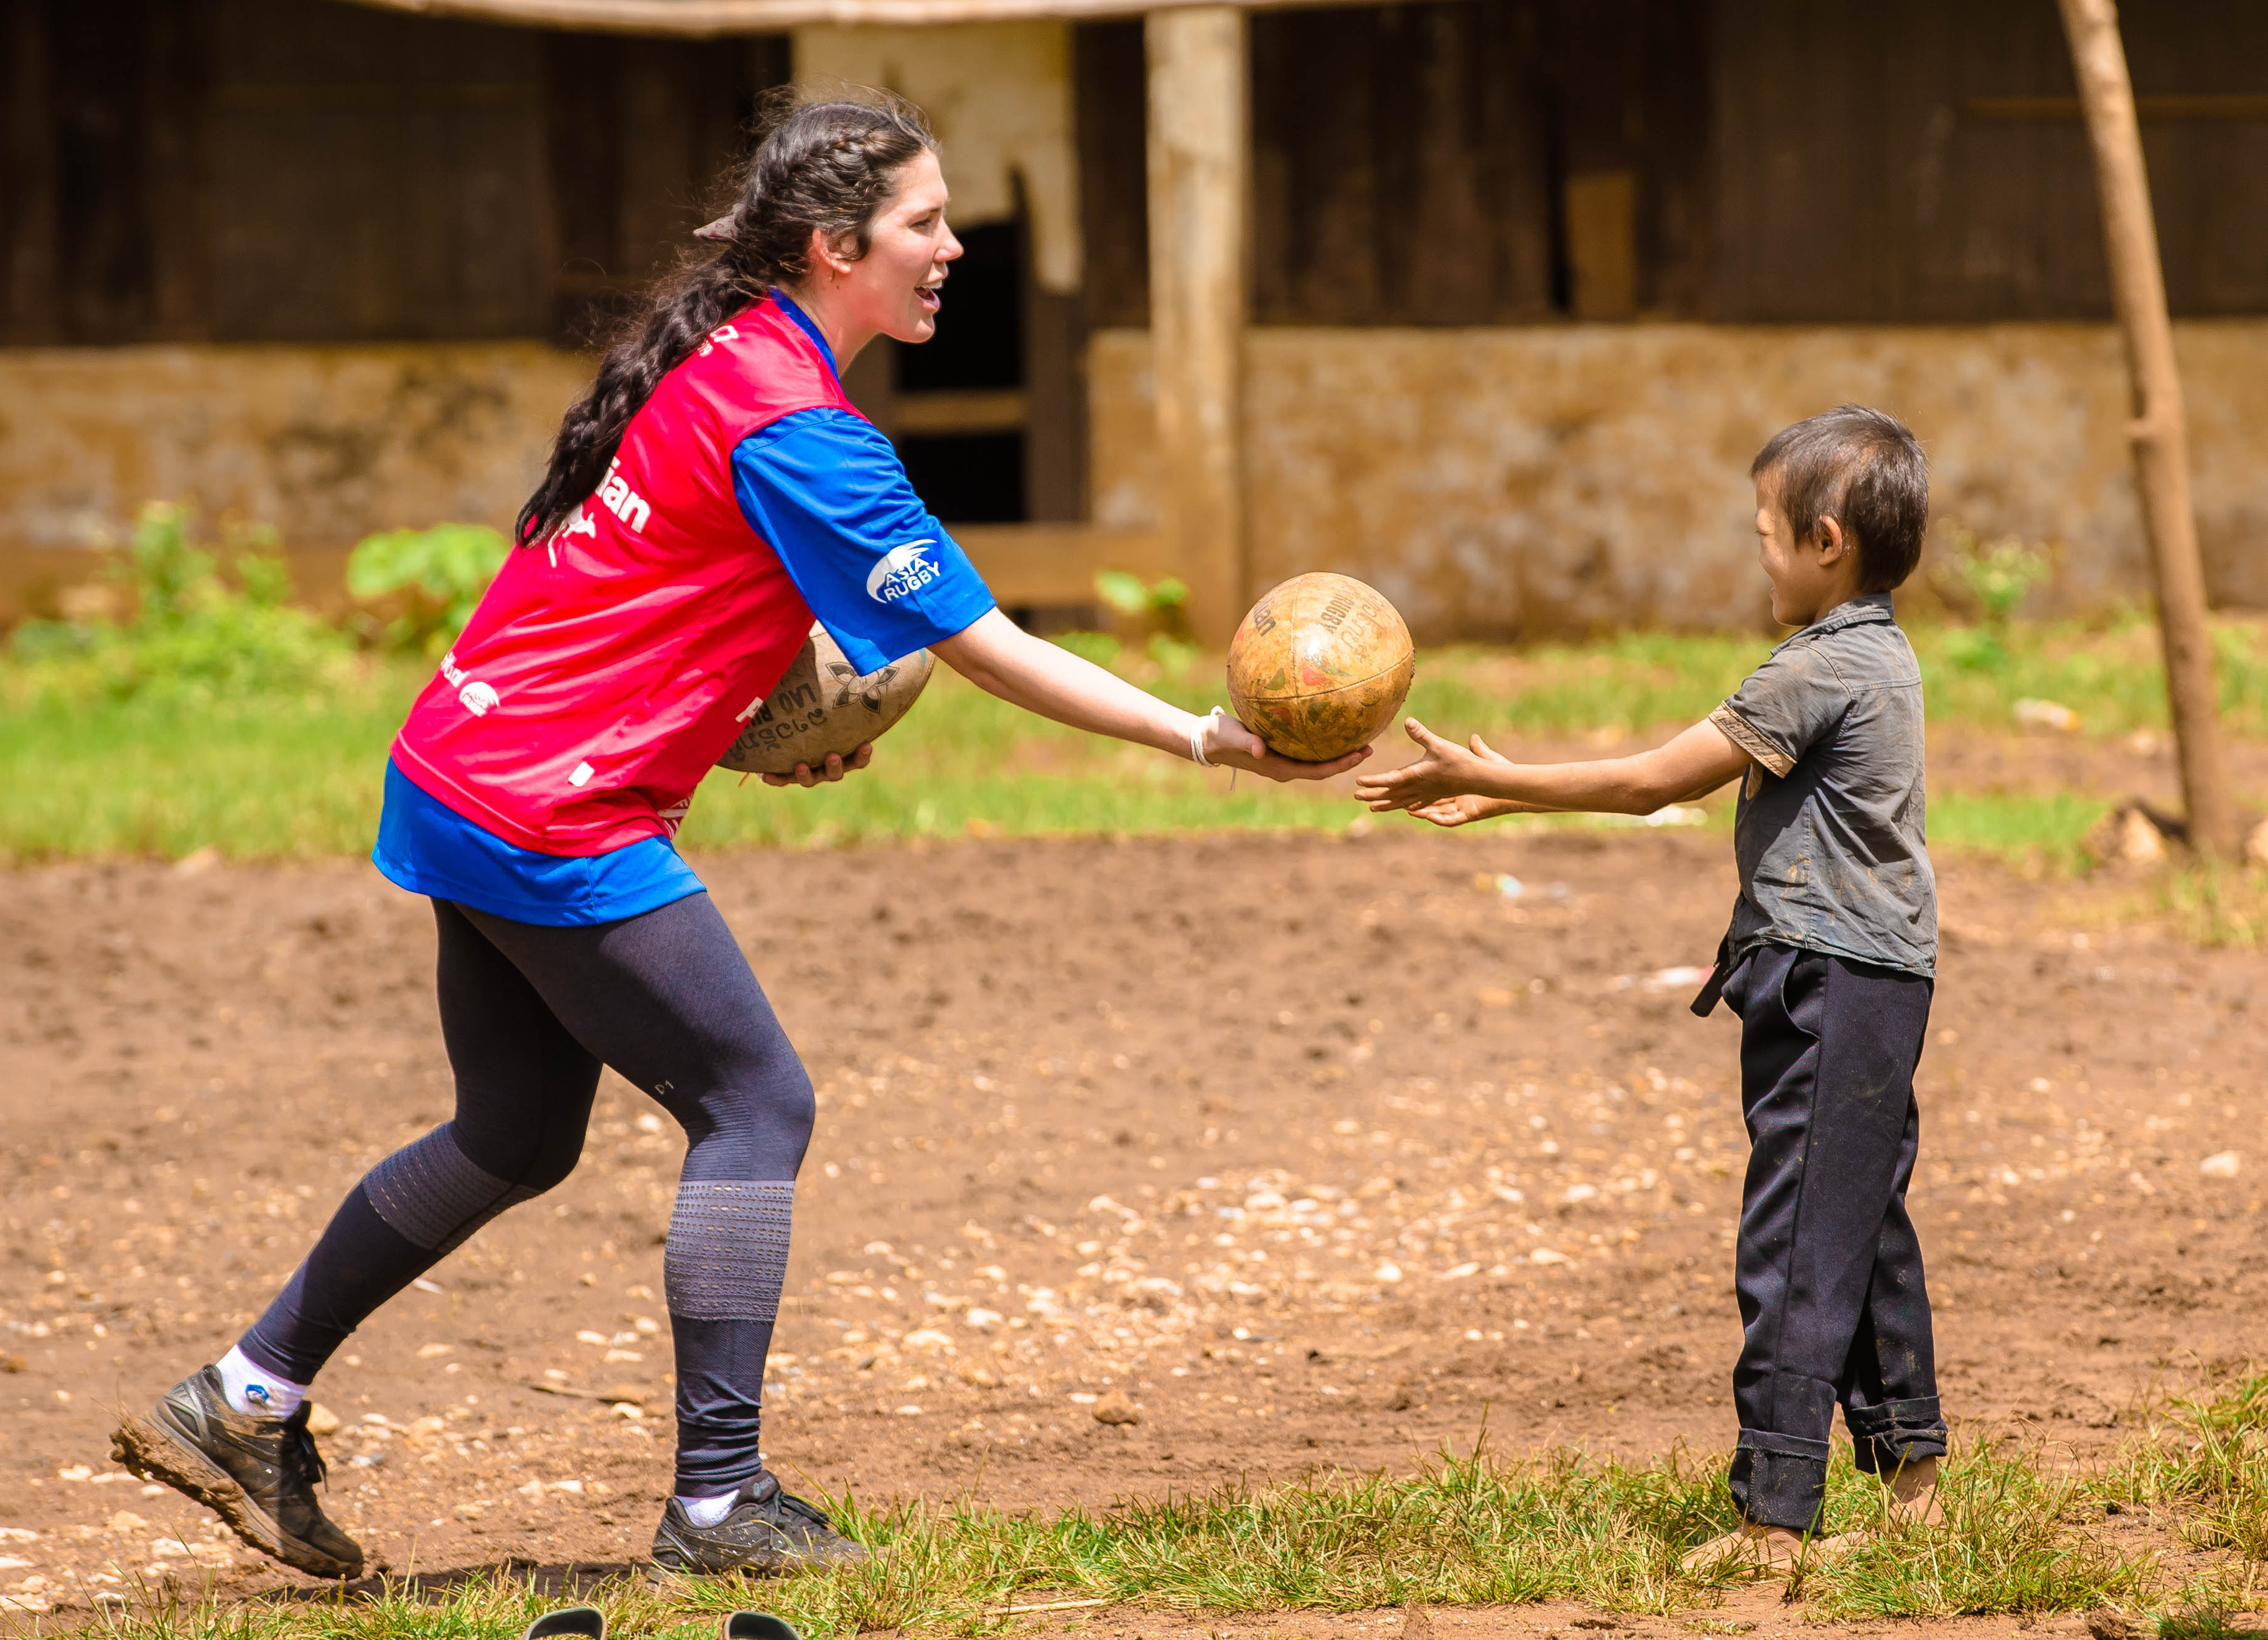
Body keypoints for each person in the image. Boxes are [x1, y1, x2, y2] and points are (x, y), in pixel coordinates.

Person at [108, 90, 1361, 1583]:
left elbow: (657, 580)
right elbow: (988, 643)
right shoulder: (806, 429)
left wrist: (747, 716)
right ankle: (716, 1504)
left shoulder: (726, 356)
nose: (955, 245)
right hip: (549, 807)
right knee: (758, 1104)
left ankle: (243, 1400)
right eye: (924, 223)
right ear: (836, 248)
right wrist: (1203, 738)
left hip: (462, 761)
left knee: (514, 1132)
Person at [1355, 404, 1945, 1569]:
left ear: (1824, 540)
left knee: (1793, 1247)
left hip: (1829, 980)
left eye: (1765, 534)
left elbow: (1645, 784)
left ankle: (1773, 1519)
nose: (1758, 556)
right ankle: (1914, 1478)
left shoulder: (1821, 668)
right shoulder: (1879, 652)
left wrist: (1497, 777)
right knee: (1859, 1226)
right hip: (1873, 975)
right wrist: (1506, 792)